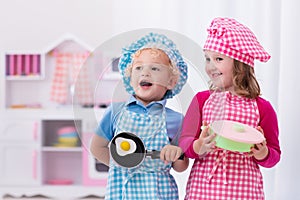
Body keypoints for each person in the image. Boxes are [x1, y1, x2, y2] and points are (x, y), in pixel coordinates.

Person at [179, 17, 281, 200]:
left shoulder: (262, 108)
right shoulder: (202, 100)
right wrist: (199, 145)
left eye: (218, 59)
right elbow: (185, 143)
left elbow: (274, 154)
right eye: (207, 59)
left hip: (245, 193)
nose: (210, 66)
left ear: (240, 65)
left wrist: (263, 152)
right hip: (203, 192)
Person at [90, 32, 189, 199]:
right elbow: (96, 147)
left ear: (171, 82)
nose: (145, 73)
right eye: (138, 68)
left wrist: (177, 153)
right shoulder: (116, 111)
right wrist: (120, 164)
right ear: (130, 78)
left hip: (160, 192)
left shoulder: (177, 120)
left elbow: (181, 166)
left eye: (155, 68)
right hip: (122, 191)